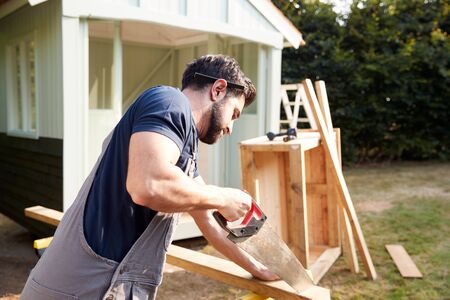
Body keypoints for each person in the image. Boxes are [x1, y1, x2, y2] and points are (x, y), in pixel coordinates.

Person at [21, 55, 278, 300]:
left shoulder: (183, 149)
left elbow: (208, 219)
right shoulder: (169, 101)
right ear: (218, 89)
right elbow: (147, 185)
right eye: (234, 113)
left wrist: (260, 268)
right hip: (78, 287)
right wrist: (224, 197)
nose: (231, 128)